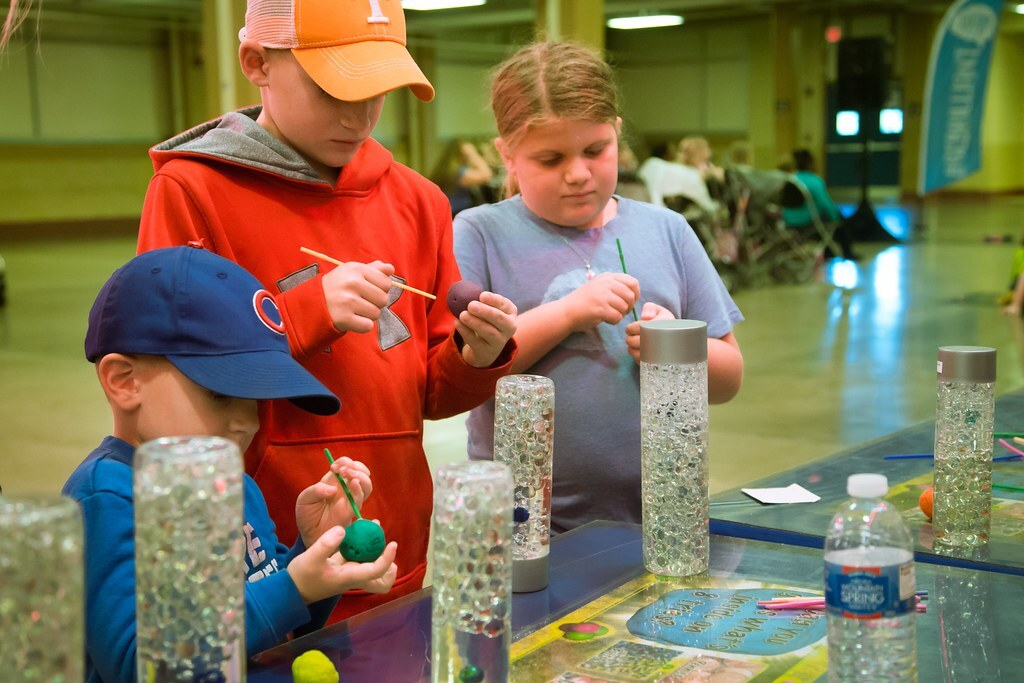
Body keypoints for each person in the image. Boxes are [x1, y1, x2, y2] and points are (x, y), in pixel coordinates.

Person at [136, 0, 519, 621]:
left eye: (377, 93)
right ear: (257, 63)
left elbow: (428, 392)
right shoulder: (192, 192)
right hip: (264, 557)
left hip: (395, 537)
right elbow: (167, 380)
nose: (358, 117)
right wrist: (303, 313)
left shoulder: (419, 201)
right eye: (333, 90)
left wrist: (475, 356)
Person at [63, 246, 399, 683]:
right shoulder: (107, 497)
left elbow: (274, 631)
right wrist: (294, 586)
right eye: (220, 394)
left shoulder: (237, 486)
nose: (247, 422)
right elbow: (140, 666)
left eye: (256, 398)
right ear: (125, 381)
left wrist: (313, 558)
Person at [453, 41, 744, 533]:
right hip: (524, 526)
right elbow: (464, 374)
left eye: (595, 150)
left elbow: (729, 378)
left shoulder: (668, 230)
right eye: (550, 159)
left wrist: (677, 346)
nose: (578, 174)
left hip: (659, 517)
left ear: (617, 133)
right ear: (507, 155)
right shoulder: (479, 233)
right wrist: (567, 313)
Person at [782, 148, 858, 260]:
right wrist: (835, 218)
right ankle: (847, 253)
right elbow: (826, 205)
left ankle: (828, 251)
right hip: (808, 222)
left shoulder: (789, 179)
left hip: (788, 221)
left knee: (820, 219)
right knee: (837, 220)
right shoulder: (815, 181)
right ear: (810, 163)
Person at [430, 138, 495, 216]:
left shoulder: (447, 170)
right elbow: (486, 175)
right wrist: (472, 153)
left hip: (450, 212)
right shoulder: (459, 172)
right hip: (456, 213)